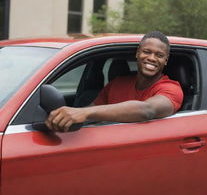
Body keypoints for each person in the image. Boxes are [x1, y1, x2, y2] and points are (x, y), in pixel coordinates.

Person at [45, 31, 184, 132]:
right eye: (147, 51)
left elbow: (147, 110)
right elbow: (92, 110)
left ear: (165, 61)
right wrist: (71, 115)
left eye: (159, 55)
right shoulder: (117, 83)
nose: (152, 58)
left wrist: (84, 113)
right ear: (137, 53)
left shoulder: (171, 89)